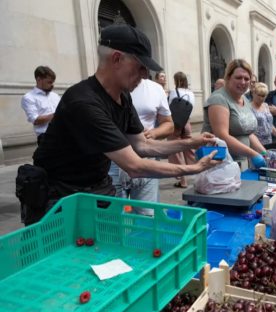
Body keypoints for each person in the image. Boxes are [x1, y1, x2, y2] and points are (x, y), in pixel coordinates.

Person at [32, 24, 218, 217]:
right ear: (117, 59)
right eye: (141, 67)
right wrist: (194, 168)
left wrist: (193, 141)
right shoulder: (84, 103)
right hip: (61, 198)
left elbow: (143, 145)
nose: (145, 75)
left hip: (95, 187)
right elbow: (135, 166)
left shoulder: (123, 97)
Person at [108, 77, 174, 213]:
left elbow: (169, 124)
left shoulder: (155, 88)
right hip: (112, 161)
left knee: (147, 215)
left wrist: (153, 133)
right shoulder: (104, 88)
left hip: (145, 158)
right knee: (112, 217)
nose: (142, 71)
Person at [202, 59, 267, 169]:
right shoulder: (218, 99)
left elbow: (248, 133)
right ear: (228, 77)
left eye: (246, 79)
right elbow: (222, 136)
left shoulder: (244, 99)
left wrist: (265, 154)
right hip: (220, 164)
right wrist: (253, 154)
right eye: (238, 77)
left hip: (241, 163)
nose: (242, 82)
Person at [167, 71, 196, 188]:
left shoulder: (174, 92)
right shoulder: (191, 93)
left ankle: (182, 180)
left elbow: (169, 108)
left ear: (176, 81)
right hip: (187, 123)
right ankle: (198, 171)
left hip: (176, 124)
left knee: (176, 151)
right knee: (189, 149)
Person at [21, 66, 61, 144]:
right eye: (49, 82)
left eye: (53, 82)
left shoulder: (55, 96)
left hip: (63, 134)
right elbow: (36, 120)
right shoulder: (29, 97)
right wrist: (58, 114)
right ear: (38, 79)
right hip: (46, 137)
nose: (52, 85)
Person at [250, 82, 276, 152]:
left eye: (264, 96)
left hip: (269, 141)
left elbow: (270, 125)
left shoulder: (266, 106)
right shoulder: (249, 107)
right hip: (256, 143)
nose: (261, 98)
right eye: (259, 95)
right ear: (253, 93)